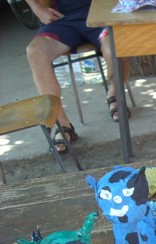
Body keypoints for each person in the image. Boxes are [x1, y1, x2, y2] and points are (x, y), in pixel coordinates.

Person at [24, 0, 131, 152]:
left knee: (116, 46)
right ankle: (62, 123)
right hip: (61, 18)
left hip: (102, 12)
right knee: (35, 52)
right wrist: (38, 9)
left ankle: (114, 93)